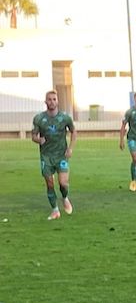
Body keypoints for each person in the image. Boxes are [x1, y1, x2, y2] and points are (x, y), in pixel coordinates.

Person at [31, 90, 76, 220]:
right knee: (50, 183)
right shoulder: (39, 118)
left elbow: (74, 131)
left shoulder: (65, 118)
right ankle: (55, 210)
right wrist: (39, 140)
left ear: (58, 101)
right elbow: (33, 136)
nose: (52, 101)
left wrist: (70, 148)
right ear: (46, 102)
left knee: (63, 183)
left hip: (61, 155)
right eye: (49, 99)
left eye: (54, 99)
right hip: (46, 156)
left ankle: (65, 197)